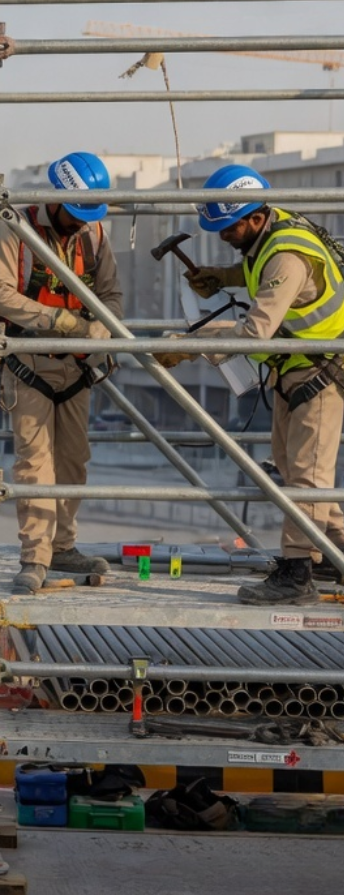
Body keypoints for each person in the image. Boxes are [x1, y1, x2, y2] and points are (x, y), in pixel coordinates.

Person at [160, 164, 344, 605]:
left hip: (321, 374)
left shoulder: (287, 254)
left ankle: (297, 572)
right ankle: (337, 556)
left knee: (306, 479)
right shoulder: (271, 235)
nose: (223, 234)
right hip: (297, 369)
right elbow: (260, 272)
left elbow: (255, 332)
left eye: (228, 227)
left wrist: (190, 346)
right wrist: (221, 276)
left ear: (255, 218)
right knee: (294, 470)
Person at [0, 151, 123, 593]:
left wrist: (104, 329)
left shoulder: (95, 233)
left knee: (72, 461)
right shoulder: (16, 228)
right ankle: (36, 555)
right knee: (34, 465)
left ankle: (63, 545)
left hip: (77, 367)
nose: (80, 221)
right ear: (55, 199)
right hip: (29, 361)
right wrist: (60, 322)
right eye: (76, 212)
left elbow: (110, 293)